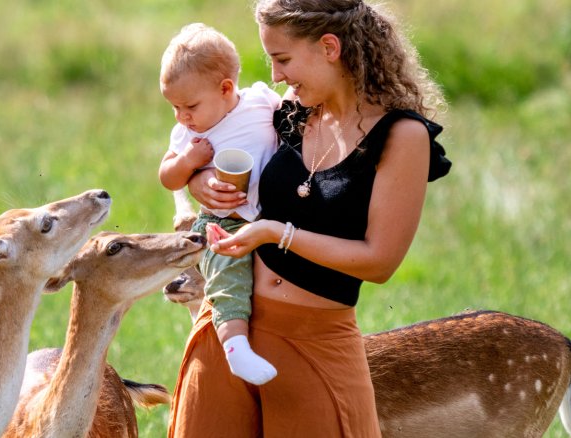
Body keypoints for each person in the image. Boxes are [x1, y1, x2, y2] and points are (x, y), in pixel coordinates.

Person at [168, 1, 452, 437]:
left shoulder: (402, 136)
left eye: (282, 59)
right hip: (227, 331)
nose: (276, 75)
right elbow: (215, 138)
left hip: (315, 348)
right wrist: (199, 182)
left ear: (330, 47)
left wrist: (278, 234)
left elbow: (380, 261)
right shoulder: (291, 110)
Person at [158, 22, 284, 385]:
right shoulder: (190, 133)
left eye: (189, 105)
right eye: (174, 107)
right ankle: (235, 347)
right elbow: (167, 176)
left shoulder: (261, 101)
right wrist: (189, 164)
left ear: (227, 88)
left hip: (271, 214)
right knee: (230, 278)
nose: (181, 115)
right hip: (224, 221)